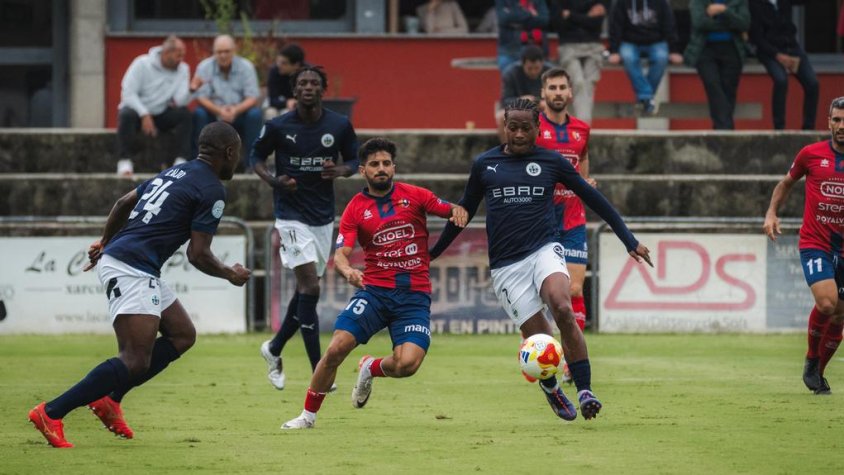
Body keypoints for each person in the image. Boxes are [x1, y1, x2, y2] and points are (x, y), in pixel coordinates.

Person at [27, 122, 251, 448]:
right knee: (134, 358)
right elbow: (198, 254)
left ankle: (110, 400)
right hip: (132, 267)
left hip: (131, 261)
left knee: (182, 335)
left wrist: (105, 242)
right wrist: (229, 273)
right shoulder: (212, 189)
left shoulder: (174, 172)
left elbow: (122, 202)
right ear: (230, 152)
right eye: (238, 153)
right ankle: (51, 412)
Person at [430, 98, 652, 421]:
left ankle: (586, 390)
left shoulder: (551, 162)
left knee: (563, 306)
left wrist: (628, 239)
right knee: (540, 340)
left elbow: (594, 199)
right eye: (513, 127)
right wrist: (433, 253)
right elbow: (462, 213)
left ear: (538, 128)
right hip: (506, 268)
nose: (519, 134)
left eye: (526, 128)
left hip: (545, 250)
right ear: (505, 127)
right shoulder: (485, 165)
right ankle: (550, 388)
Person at [280, 137, 469, 429]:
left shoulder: (416, 195)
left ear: (394, 167)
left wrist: (458, 211)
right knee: (335, 349)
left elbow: (453, 210)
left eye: (386, 163)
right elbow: (341, 254)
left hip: (414, 297)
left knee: (407, 365)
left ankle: (371, 367)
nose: (381, 169)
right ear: (362, 171)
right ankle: (307, 416)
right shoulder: (356, 208)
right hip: (375, 293)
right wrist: (347, 271)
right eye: (374, 164)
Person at [252, 67, 359, 392]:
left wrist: (341, 169)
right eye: (302, 84)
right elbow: (255, 156)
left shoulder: (338, 125)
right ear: (294, 91)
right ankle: (319, 372)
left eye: (314, 83)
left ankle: (274, 348)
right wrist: (274, 180)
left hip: (323, 217)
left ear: (323, 89)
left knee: (304, 292)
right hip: (290, 216)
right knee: (311, 289)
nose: (308, 87)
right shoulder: (278, 125)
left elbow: (355, 159)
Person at [763, 97, 844, 396]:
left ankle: (818, 374)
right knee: (827, 303)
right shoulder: (811, 154)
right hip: (816, 243)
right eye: (836, 120)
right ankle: (812, 357)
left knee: (839, 315)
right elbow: (785, 183)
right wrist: (772, 213)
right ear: (828, 121)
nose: (841, 126)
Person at [535, 68, 595, 382]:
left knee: (573, 288)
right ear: (543, 93)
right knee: (543, 293)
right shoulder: (533, 129)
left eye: (562, 88)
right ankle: (535, 344)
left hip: (572, 217)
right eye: (552, 87)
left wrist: (586, 183)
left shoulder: (582, 130)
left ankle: (572, 360)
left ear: (570, 93)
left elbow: (582, 167)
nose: (558, 93)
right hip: (540, 220)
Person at [116, 35, 192, 176]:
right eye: (178, 55)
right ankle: (124, 161)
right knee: (125, 114)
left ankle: (181, 161)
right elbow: (128, 93)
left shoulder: (183, 69)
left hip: (161, 113)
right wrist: (144, 114)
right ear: (166, 53)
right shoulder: (141, 63)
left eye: (183, 56)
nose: (181, 59)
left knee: (185, 114)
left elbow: (180, 101)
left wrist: (192, 90)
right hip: (137, 113)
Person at [748, 0, 819, 130]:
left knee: (812, 83)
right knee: (781, 81)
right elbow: (757, 38)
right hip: (768, 50)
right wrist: (778, 55)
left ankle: (809, 128)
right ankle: (779, 128)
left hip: (791, 46)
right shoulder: (754, 4)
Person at [192, 34, 263, 163]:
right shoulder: (204, 67)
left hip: (239, 113)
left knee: (255, 114)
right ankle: (199, 163)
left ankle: (252, 164)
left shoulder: (246, 67)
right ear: (214, 52)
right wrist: (219, 111)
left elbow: (252, 97)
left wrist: (235, 110)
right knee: (199, 113)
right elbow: (201, 96)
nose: (223, 55)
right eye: (219, 52)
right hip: (214, 114)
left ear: (234, 51)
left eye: (227, 51)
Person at [608, 0, 684, 115]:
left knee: (661, 58)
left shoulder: (661, 3)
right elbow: (615, 26)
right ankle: (647, 97)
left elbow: (669, 25)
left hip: (656, 41)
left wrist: (673, 50)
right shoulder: (622, 3)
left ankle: (645, 98)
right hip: (629, 41)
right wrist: (614, 50)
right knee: (628, 57)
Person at [683, 0, 750, 130]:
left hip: (732, 50)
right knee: (713, 85)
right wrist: (729, 24)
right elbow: (699, 23)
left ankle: (721, 131)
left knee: (728, 90)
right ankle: (726, 129)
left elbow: (744, 23)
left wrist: (723, 10)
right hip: (705, 50)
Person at [549, 1, 609, 124]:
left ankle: (583, 126)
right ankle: (585, 126)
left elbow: (597, 22)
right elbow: (557, 23)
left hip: (594, 47)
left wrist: (570, 16)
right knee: (578, 82)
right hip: (568, 47)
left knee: (589, 83)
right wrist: (586, 18)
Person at [496, 45, 551, 142]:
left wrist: (543, 103)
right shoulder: (510, 73)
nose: (533, 72)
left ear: (542, 64)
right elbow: (505, 101)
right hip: (518, 110)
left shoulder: (551, 73)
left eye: (537, 68)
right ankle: (507, 150)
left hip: (544, 111)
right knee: (500, 116)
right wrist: (522, 100)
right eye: (530, 68)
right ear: (523, 64)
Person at [495, 0, 550, 73]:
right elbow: (503, 19)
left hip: (535, 49)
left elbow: (544, 20)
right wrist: (530, 14)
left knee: (536, 83)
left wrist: (512, 15)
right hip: (508, 50)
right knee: (510, 81)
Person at [265, 43, 309, 120]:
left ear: (296, 65)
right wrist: (286, 102)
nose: (279, 65)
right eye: (278, 61)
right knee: (270, 113)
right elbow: (272, 99)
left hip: (300, 107)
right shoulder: (274, 71)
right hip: (279, 105)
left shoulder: (309, 74)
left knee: (289, 113)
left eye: (284, 63)